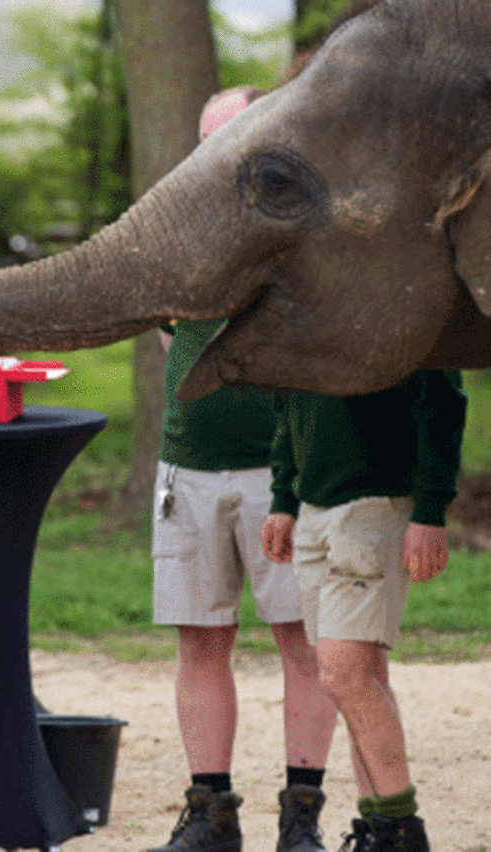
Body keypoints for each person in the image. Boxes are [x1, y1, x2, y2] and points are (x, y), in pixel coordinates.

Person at [147, 87, 338, 852]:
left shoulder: (312, 230)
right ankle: (210, 812)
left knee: (302, 641)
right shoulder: (174, 229)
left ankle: (302, 817)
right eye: (205, 142)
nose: (214, 157)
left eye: (229, 140)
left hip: (282, 473)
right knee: (200, 641)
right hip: (188, 468)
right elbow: (171, 337)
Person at [261, 369, 466, 852]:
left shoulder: (402, 300)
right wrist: (284, 498)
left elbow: (443, 400)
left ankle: (402, 826)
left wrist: (430, 510)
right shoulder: (301, 310)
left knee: (342, 674)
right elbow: (289, 404)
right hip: (313, 507)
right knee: (363, 675)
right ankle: (378, 826)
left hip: (377, 501)